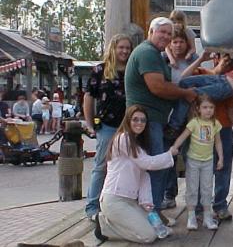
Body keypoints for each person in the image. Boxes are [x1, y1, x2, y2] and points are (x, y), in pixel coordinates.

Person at [124, 17, 197, 216]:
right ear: (150, 32)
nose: (165, 36)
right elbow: (157, 87)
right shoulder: (147, 53)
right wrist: (186, 94)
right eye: (161, 32)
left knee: (159, 166)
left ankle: (150, 211)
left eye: (168, 33)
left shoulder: (155, 54)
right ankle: (153, 214)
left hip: (155, 119)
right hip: (148, 120)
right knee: (157, 167)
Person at [94, 105, 178, 244]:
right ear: (127, 121)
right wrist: (170, 154)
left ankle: (112, 222)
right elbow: (147, 163)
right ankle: (104, 225)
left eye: (143, 120)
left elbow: (144, 176)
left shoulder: (137, 144)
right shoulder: (123, 138)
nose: (139, 123)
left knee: (157, 229)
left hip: (130, 201)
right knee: (149, 236)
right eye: (135, 119)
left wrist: (146, 202)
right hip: (114, 200)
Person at [180, 51, 233, 220]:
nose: (227, 61)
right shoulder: (201, 73)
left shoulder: (230, 83)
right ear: (216, 58)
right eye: (223, 57)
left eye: (231, 59)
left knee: (223, 167)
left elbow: (232, 110)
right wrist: (203, 59)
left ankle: (220, 205)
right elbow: (181, 80)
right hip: (198, 130)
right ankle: (198, 207)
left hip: (223, 128)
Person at [84, 33, 133, 220]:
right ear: (113, 48)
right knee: (101, 166)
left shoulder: (132, 69)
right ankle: (92, 207)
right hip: (107, 125)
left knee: (128, 165)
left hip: (130, 127)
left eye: (127, 48)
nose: (124, 51)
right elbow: (89, 97)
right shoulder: (100, 70)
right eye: (121, 47)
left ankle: (123, 203)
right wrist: (89, 124)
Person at [170, 94, 223, 230]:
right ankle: (191, 216)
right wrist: (175, 147)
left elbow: (218, 142)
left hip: (208, 161)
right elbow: (183, 136)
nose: (208, 110)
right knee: (192, 188)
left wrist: (221, 158)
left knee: (207, 188)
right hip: (193, 160)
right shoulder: (194, 123)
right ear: (198, 108)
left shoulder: (215, 123)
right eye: (205, 107)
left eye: (211, 107)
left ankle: (207, 216)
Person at [162, 29, 199, 210]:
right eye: (174, 42)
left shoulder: (193, 59)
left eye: (181, 42)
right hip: (169, 115)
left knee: (191, 156)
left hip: (191, 113)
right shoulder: (163, 59)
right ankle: (169, 194)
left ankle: (195, 198)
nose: (178, 45)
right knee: (170, 155)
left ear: (187, 44)